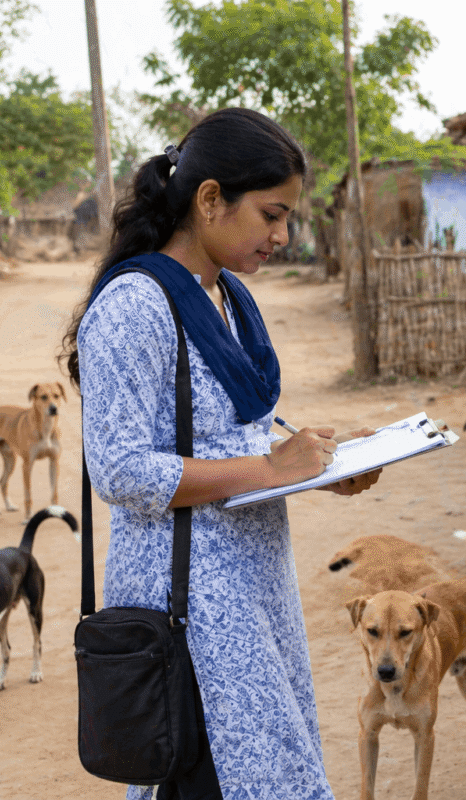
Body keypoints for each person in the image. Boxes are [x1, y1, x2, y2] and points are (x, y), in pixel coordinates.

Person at [60, 108, 380, 800]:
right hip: (187, 611)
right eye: (271, 214)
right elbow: (118, 468)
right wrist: (270, 469)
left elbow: (230, 430)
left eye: (288, 217)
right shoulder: (133, 307)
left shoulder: (226, 296)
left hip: (252, 595)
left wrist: (322, 463)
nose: (282, 235)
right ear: (210, 201)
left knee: (264, 771)